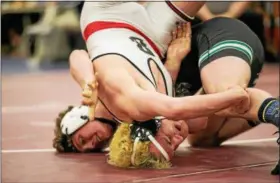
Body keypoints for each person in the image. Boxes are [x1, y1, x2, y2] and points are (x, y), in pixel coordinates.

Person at [52, 1, 249, 153]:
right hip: (152, 38)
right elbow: (178, 109)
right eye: (90, 149)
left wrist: (87, 81)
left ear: (78, 117)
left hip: (107, 14)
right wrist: (174, 61)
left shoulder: (100, 97)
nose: (91, 144)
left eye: (82, 140)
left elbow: (77, 55)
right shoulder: (135, 124)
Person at [108, 17, 279, 170]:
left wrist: (173, 61)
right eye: (174, 148)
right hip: (222, 65)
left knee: (225, 98)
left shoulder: (146, 95)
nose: (178, 141)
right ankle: (271, 107)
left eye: (169, 140)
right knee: (201, 139)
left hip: (219, 37)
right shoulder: (171, 119)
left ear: (151, 124)